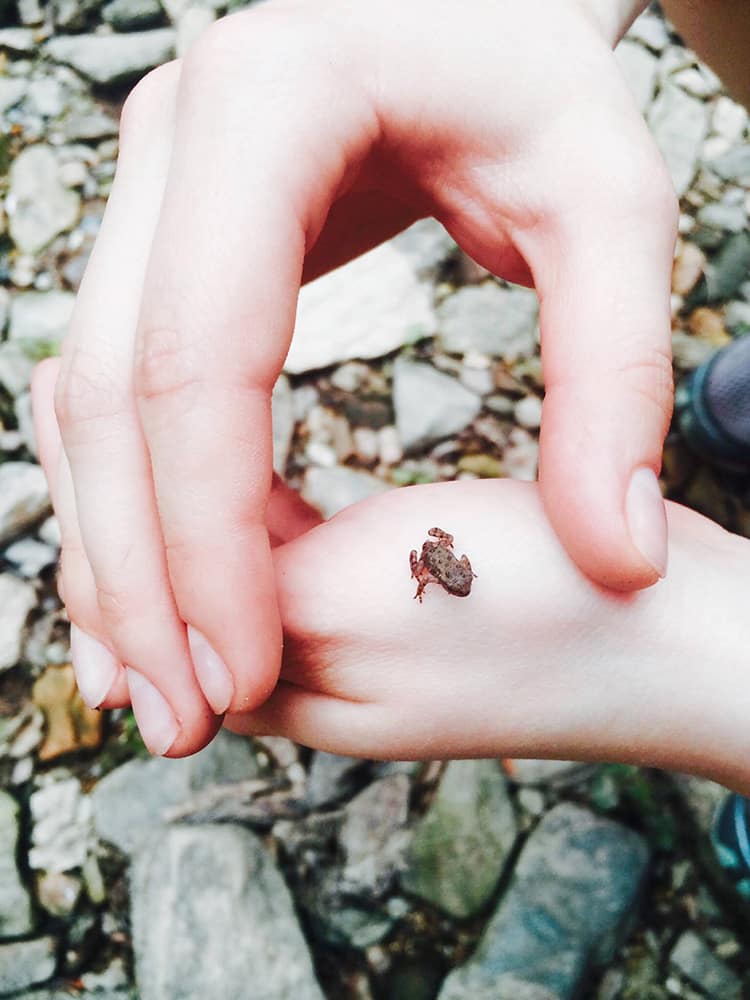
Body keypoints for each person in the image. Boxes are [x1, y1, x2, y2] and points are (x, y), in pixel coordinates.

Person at [29, 0, 750, 783]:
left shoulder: (443, 566)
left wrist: (700, 658)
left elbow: (443, 564)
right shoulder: (440, 559)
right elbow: (438, 556)